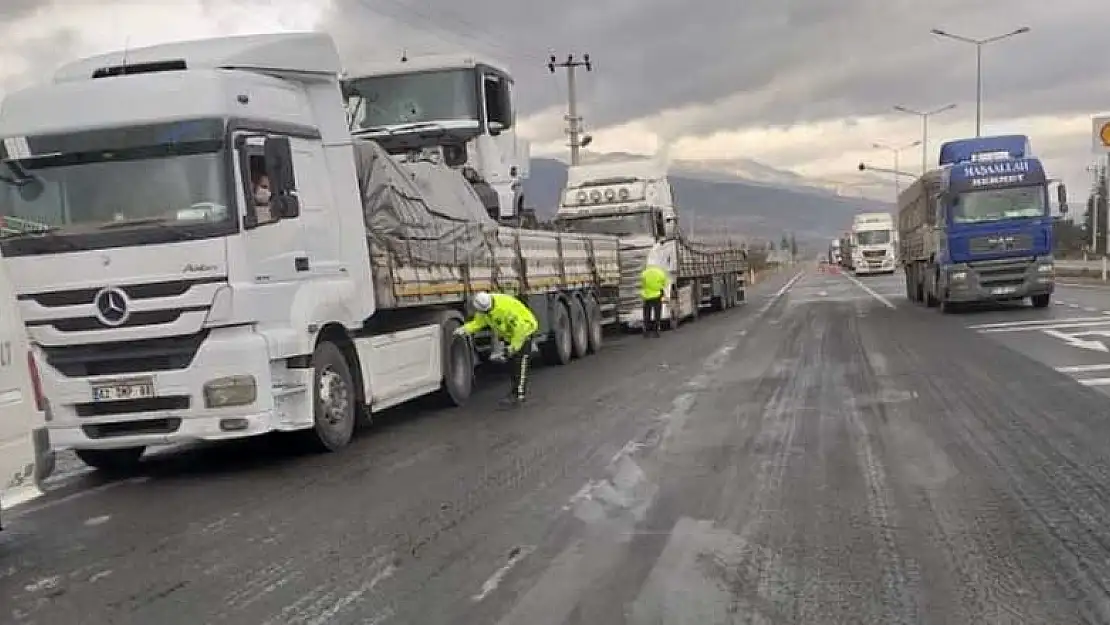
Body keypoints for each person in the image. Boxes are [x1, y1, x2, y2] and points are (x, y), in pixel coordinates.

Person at [454, 291, 539, 407]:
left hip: (525, 330)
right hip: (510, 334)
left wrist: (513, 347)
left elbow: (520, 329)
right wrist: (464, 329)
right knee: (512, 364)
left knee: (520, 363)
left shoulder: (505, 310)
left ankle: (519, 395)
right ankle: (515, 392)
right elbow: (478, 323)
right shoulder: (484, 308)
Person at [640, 263, 668, 338]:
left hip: (647, 296)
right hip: (657, 295)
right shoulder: (660, 272)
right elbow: (665, 284)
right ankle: (656, 331)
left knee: (647, 314)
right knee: (657, 314)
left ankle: (646, 331)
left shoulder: (644, 273)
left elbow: (643, 284)